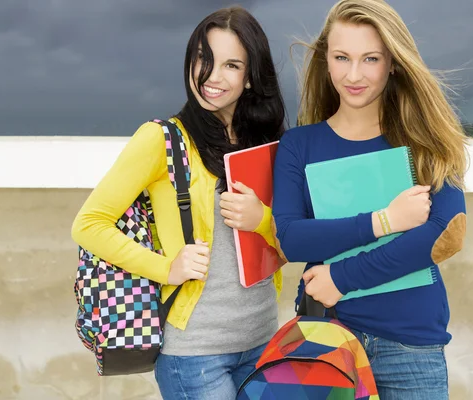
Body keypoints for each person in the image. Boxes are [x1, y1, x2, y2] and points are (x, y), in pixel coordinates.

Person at [71, 7, 286, 400]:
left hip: (263, 341)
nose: (211, 76)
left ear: (252, 76)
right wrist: (166, 268)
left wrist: (262, 219)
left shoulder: (267, 142)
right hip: (195, 355)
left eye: (231, 65)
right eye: (204, 59)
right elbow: (88, 224)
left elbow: (288, 240)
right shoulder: (161, 139)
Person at [272, 0, 467, 398]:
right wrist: (385, 221)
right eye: (342, 57)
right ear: (326, 61)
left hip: (411, 346)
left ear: (393, 62)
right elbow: (292, 239)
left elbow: (441, 235)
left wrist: (341, 278)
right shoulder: (298, 145)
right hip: (327, 341)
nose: (354, 74)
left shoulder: (426, 143)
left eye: (371, 58)